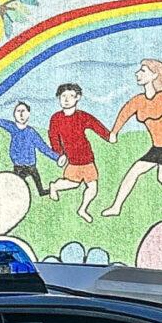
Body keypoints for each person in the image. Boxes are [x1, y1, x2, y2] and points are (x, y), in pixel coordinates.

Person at [103, 58, 162, 218]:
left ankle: (116, 207)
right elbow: (124, 113)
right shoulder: (138, 101)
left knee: (137, 172)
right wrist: (114, 132)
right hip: (158, 146)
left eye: (143, 70)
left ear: (154, 75)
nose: (138, 73)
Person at [45, 82, 112, 220]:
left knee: (93, 187)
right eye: (63, 96)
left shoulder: (82, 116)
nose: (66, 99)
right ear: (59, 98)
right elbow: (53, 137)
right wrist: (59, 154)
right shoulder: (56, 118)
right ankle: (55, 186)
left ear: (78, 98)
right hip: (73, 160)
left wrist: (108, 136)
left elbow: (96, 125)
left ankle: (83, 209)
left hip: (87, 158)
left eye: (70, 96)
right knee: (73, 184)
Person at [0, 96, 59, 195]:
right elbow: (1, 122)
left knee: (40, 190)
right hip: (18, 166)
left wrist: (57, 158)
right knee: (15, 190)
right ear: (14, 114)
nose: (21, 114)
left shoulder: (31, 132)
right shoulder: (13, 127)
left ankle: (47, 191)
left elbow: (43, 147)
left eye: (23, 111)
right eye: (18, 111)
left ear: (28, 114)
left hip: (31, 166)